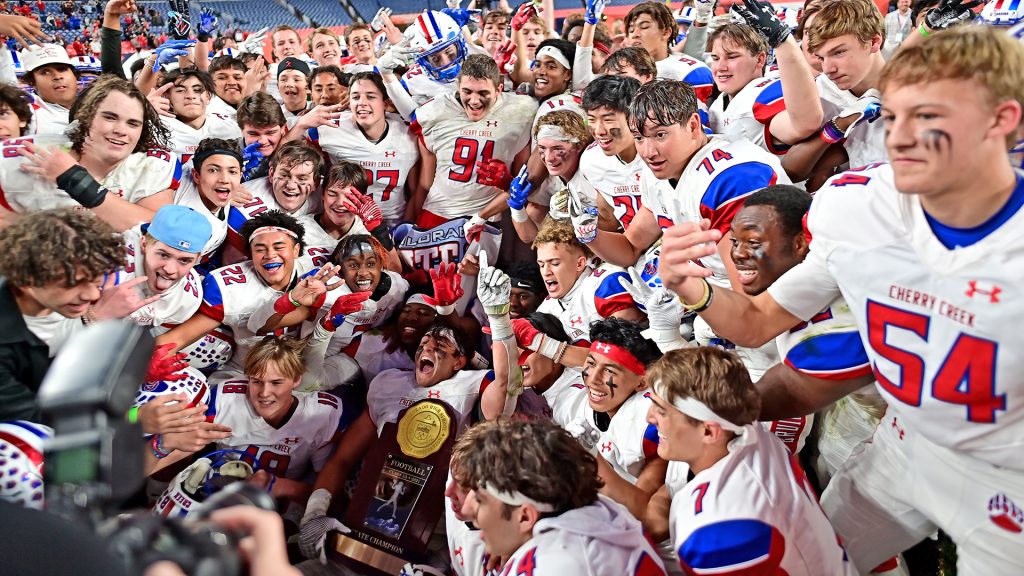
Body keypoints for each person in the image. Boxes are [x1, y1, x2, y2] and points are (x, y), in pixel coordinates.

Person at [657, 26, 1024, 573]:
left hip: (1006, 478)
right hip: (905, 444)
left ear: (1001, 122)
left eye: (928, 118)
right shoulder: (853, 208)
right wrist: (695, 288)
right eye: (895, 117)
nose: (899, 139)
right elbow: (758, 320)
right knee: (825, 558)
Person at [297, 322, 504, 564]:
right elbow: (343, 459)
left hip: (431, 530)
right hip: (364, 516)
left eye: (439, 346)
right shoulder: (389, 383)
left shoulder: (473, 384)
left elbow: (506, 383)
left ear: (458, 362)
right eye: (424, 344)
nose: (427, 348)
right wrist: (314, 514)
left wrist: (447, 556)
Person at [645, 347, 853, 574]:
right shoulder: (751, 432)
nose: (649, 417)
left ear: (709, 432)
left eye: (661, 411)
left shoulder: (712, 528)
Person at [457, 418, 668, 575]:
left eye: (480, 500)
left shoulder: (561, 562)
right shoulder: (591, 513)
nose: (467, 510)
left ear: (525, 517)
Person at [0, 209, 150, 421]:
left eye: (96, 280)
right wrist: (136, 418)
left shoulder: (51, 303)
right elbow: (44, 421)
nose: (92, 294)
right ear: (27, 279)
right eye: (74, 283)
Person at [157, 210, 316, 385]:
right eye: (260, 249)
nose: (270, 255)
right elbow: (179, 338)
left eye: (279, 247)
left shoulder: (316, 274)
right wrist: (144, 362)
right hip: (245, 374)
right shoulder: (229, 289)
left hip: (307, 369)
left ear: (296, 250)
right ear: (250, 254)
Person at [1, 75, 179, 231]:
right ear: (86, 119)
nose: (121, 130)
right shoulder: (24, 156)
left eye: (133, 123)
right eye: (110, 117)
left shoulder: (151, 165)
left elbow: (160, 231)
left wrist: (76, 180)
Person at [410, 54, 536, 232]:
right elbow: (425, 182)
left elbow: (524, 179)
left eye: (483, 93)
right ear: (458, 86)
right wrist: (409, 223)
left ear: (499, 89)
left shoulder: (522, 110)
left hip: (487, 219)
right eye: (467, 91)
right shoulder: (434, 112)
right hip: (436, 213)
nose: (474, 100)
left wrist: (507, 181)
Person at [304, 72, 420, 227]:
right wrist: (301, 124)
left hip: (392, 223)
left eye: (371, 96)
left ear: (386, 103)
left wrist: (406, 226)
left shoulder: (408, 135)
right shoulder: (328, 130)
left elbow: (415, 191)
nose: (362, 103)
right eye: (356, 97)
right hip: (348, 224)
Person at [705, 3, 823, 155]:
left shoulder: (763, 95)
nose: (720, 67)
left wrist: (782, 41)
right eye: (715, 58)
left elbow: (804, 123)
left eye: (732, 57)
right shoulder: (719, 103)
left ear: (760, 59)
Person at [534, 218, 642, 344]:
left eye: (555, 263)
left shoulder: (605, 284)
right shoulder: (546, 308)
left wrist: (553, 350)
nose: (546, 272)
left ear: (580, 264)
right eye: (541, 265)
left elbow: (624, 349)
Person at [580, 75, 645, 232]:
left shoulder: (661, 153)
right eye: (591, 120)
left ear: (634, 117)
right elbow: (609, 219)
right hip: (633, 247)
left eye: (608, 120)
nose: (599, 131)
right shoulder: (592, 161)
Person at [171, 137, 242, 259]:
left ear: (241, 176)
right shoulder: (194, 229)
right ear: (196, 175)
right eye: (213, 170)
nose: (224, 179)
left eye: (232, 172)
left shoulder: (193, 168)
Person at [160, 67, 242, 166]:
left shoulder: (229, 126)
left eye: (197, 90)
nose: (190, 96)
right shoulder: (157, 127)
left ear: (208, 96)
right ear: (167, 97)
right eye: (181, 90)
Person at [19, 42, 76, 135]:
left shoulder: (96, 104)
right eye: (45, 72)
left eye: (62, 69)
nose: (57, 76)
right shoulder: (26, 111)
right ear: (32, 82)